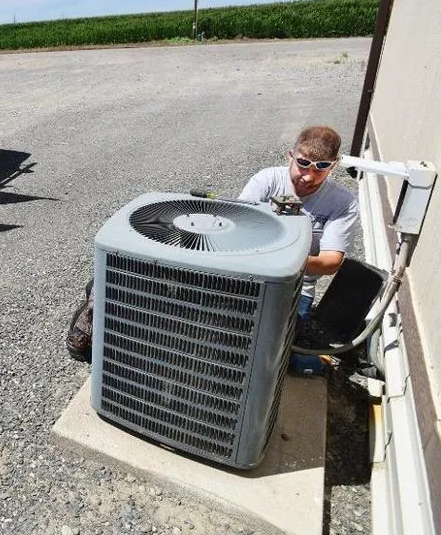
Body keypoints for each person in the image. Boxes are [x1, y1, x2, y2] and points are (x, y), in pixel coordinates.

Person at [66, 125, 359, 363]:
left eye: (320, 167)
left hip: (295, 288)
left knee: (280, 357)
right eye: (303, 163)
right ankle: (103, 318)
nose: (308, 174)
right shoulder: (266, 181)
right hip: (244, 273)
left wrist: (282, 261)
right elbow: (235, 233)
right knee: (190, 316)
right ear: (290, 156)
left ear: (333, 166)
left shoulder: (342, 203)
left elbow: (331, 262)